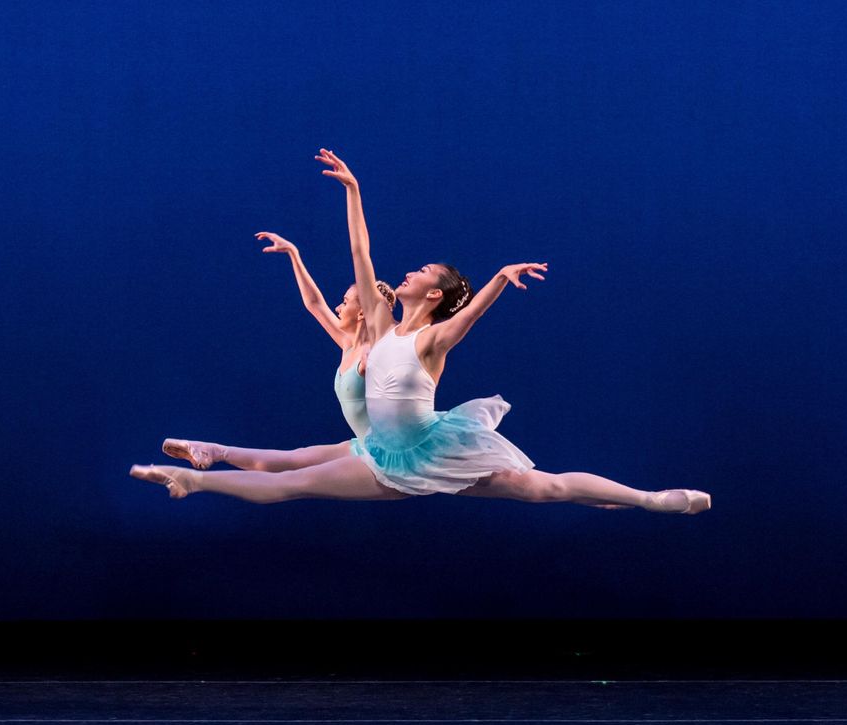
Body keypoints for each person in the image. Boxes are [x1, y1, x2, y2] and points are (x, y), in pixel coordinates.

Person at [130, 149, 710, 515]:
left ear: (431, 294)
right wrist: (353, 192)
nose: (404, 274)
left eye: (419, 274)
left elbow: (468, 318)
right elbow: (361, 252)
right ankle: (197, 473)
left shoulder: (428, 341)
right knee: (297, 473)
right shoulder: (378, 329)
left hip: (428, 451)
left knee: (545, 489)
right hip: (391, 453)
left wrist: (501, 279)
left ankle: (647, 499)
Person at [160, 232, 396, 471]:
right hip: (365, 445)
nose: (338, 306)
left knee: (295, 478)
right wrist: (294, 255)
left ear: (362, 312)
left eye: (345, 302)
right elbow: (315, 304)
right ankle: (212, 450)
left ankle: (207, 464)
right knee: (290, 461)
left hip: (388, 456)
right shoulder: (348, 344)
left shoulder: (375, 353)